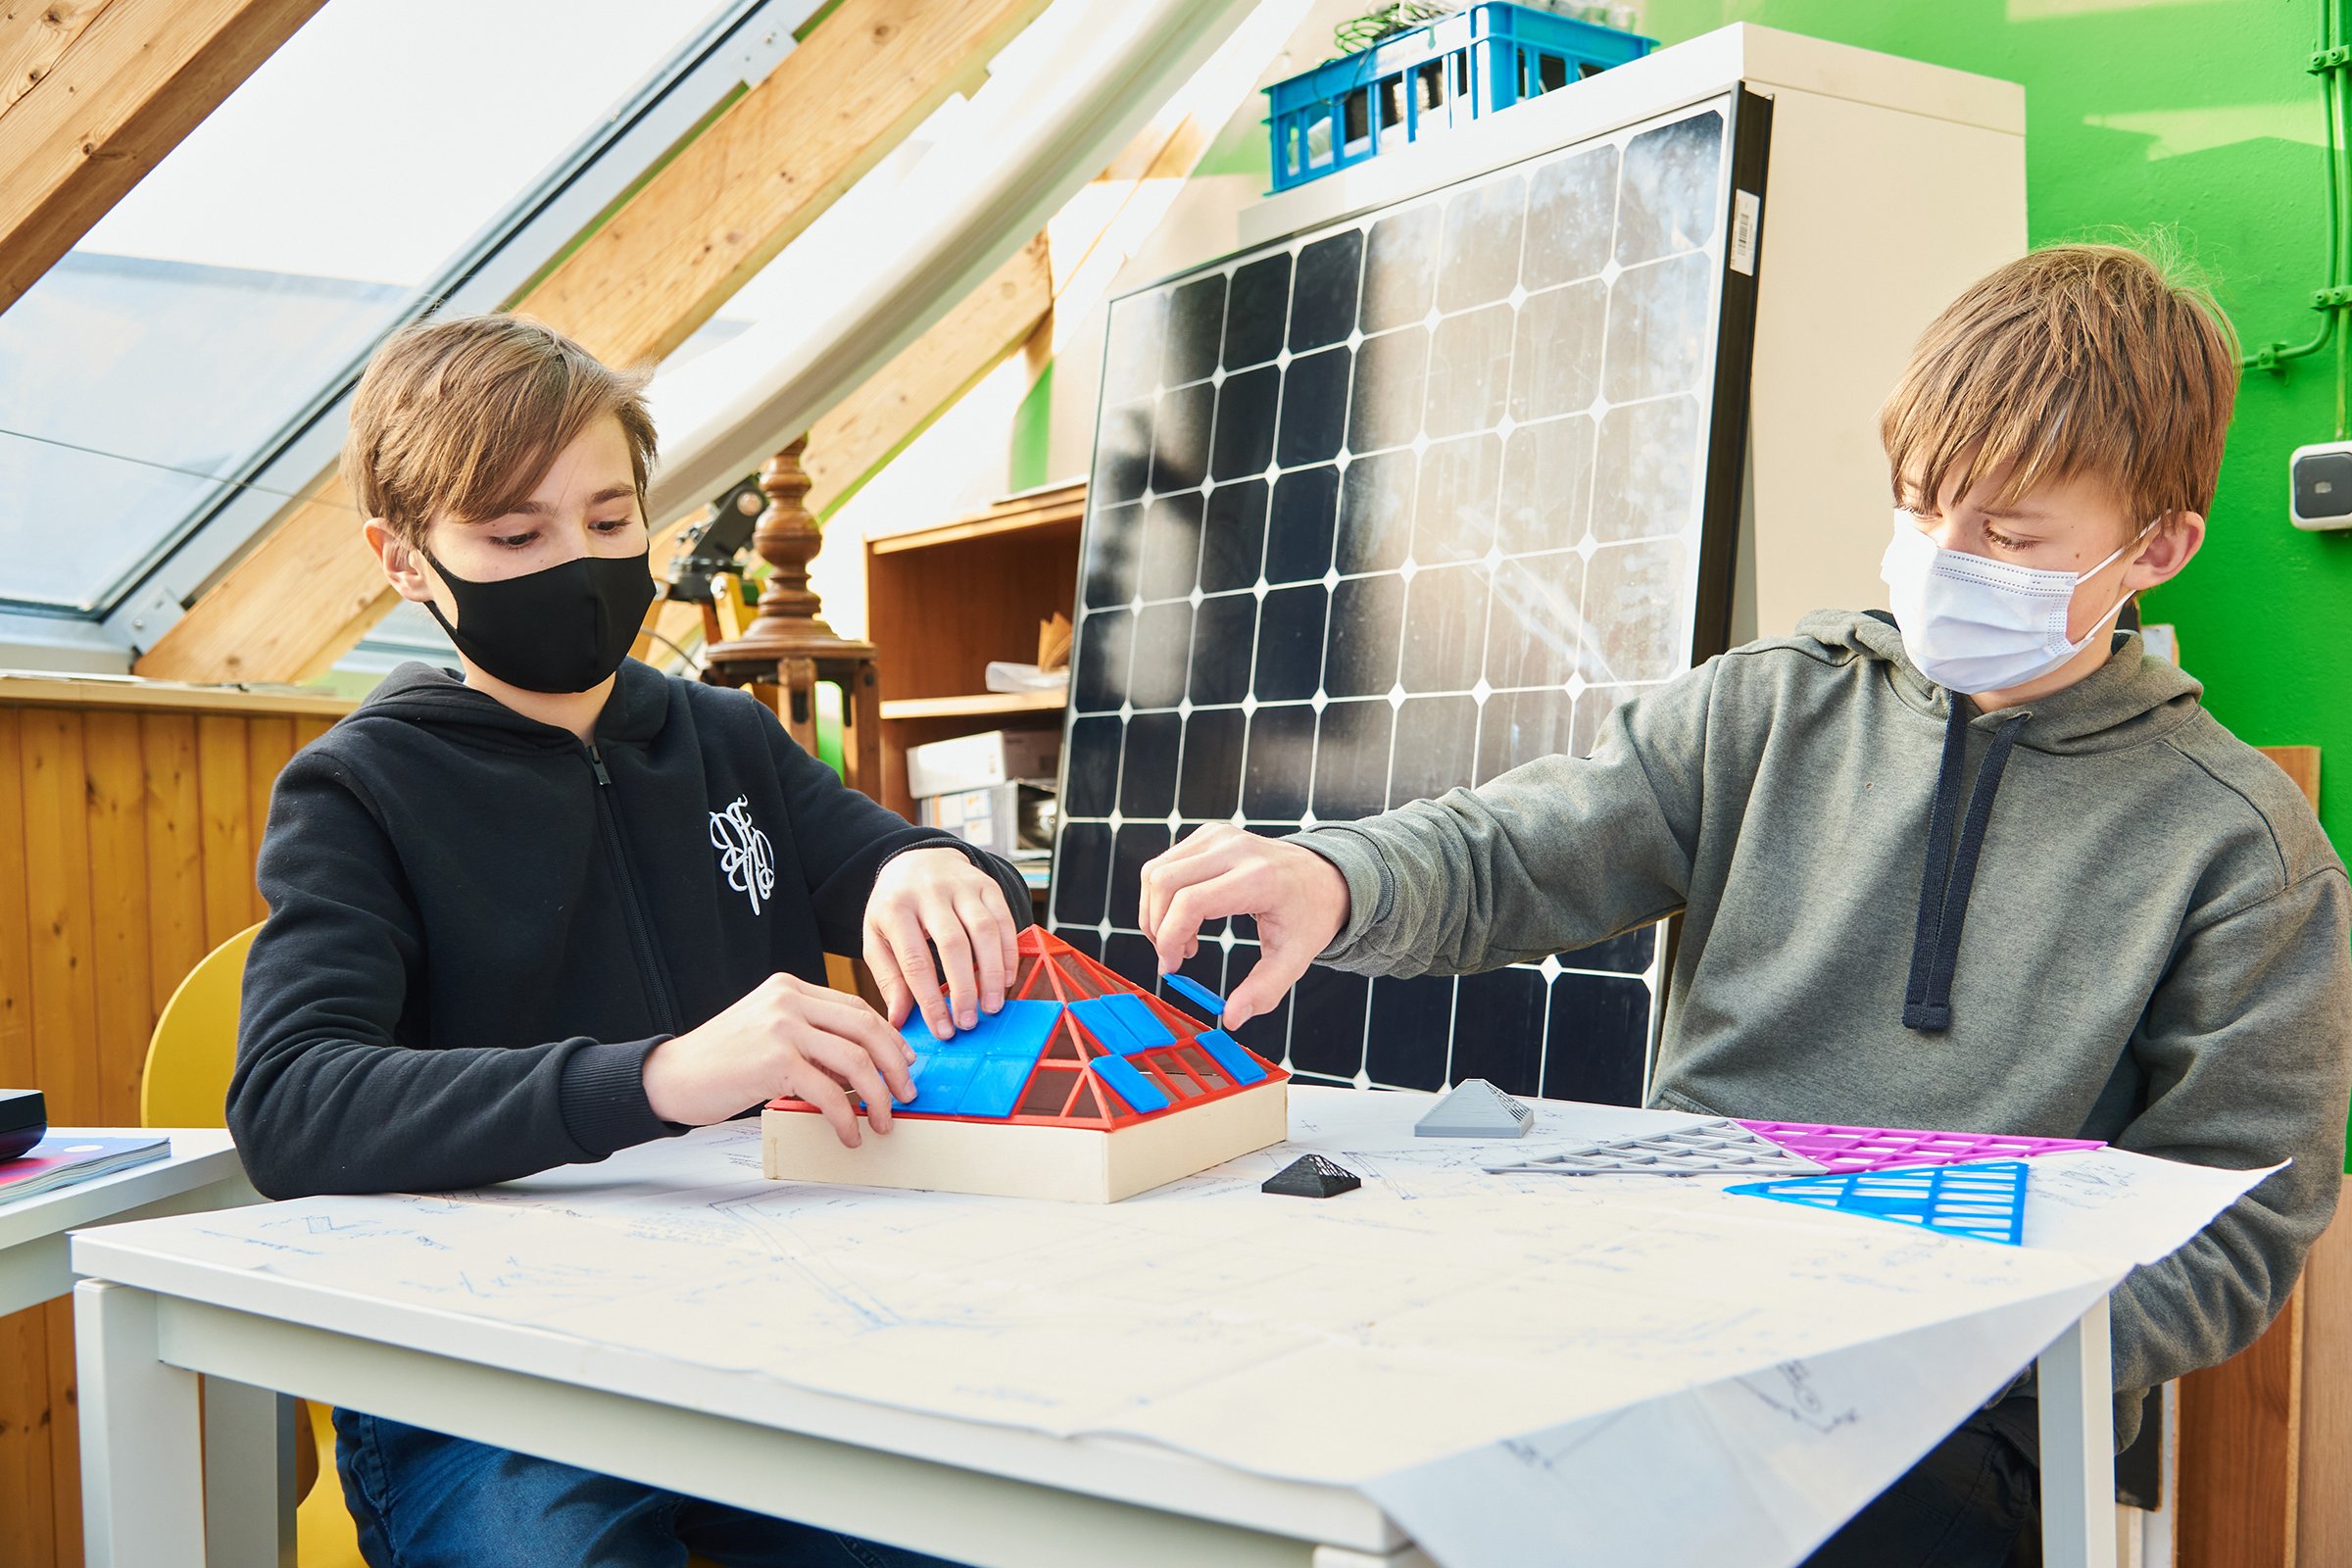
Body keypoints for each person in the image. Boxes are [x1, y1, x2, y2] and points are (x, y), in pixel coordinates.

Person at [1136, 243, 2352, 1564]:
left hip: (1967, 1405)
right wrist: (1336, 875)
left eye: (2009, 535)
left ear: (2158, 547)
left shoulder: (2244, 852)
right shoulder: (1770, 706)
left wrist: (1972, 1329)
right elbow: (1519, 851)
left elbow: (2243, 1222)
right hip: (1667, 1318)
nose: (1946, 558)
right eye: (1923, 505)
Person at [228, 313, 1024, 1568]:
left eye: (608, 523)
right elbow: (290, 1101)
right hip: (482, 1377)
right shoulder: (357, 789)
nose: (577, 561)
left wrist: (934, 868)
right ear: (402, 559)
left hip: (780, 1321)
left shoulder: (725, 738)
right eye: (513, 534)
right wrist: (660, 1076)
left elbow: (909, 875)